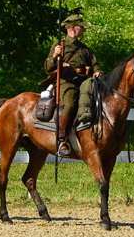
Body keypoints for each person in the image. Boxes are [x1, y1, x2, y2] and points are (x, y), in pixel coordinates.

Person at [44, 13, 102, 158]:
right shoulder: (60, 46)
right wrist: (55, 56)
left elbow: (96, 65)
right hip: (66, 81)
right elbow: (48, 68)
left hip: (84, 82)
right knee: (69, 103)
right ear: (73, 28)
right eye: (82, 27)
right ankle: (62, 139)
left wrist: (97, 72)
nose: (84, 30)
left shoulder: (85, 49)